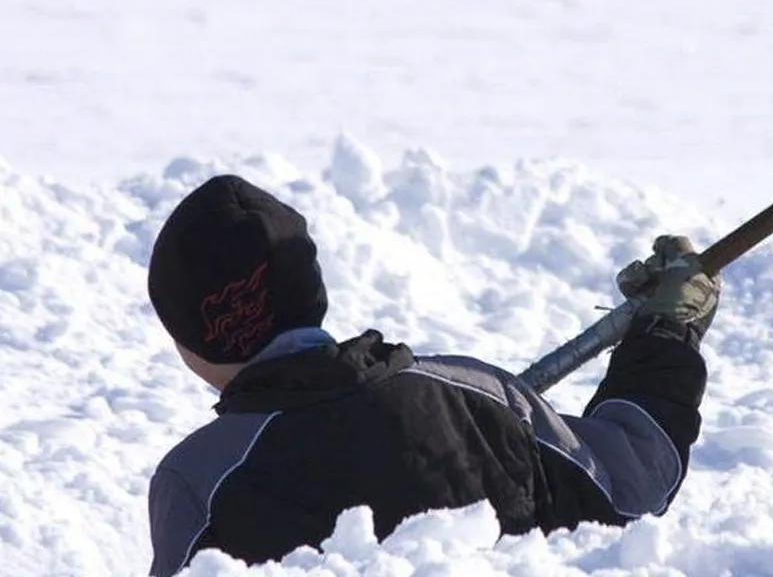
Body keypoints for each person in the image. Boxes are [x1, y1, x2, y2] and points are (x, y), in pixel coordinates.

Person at [145, 174, 721, 576]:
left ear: (191, 338)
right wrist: (668, 330)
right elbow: (632, 482)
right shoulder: (481, 397)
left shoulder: (199, 480)